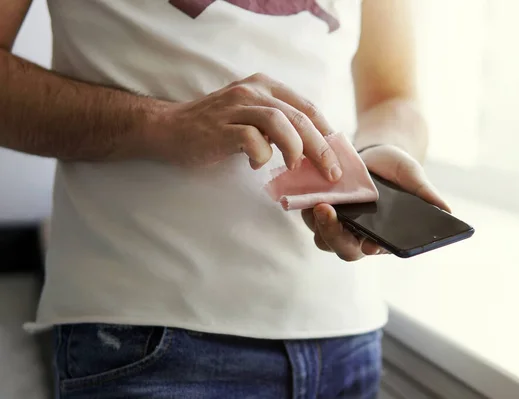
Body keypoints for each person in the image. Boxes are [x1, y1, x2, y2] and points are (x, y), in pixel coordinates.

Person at [0, 0, 450, 398]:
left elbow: (393, 98)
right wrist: (164, 124)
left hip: (346, 335)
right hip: (147, 335)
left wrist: (374, 160)